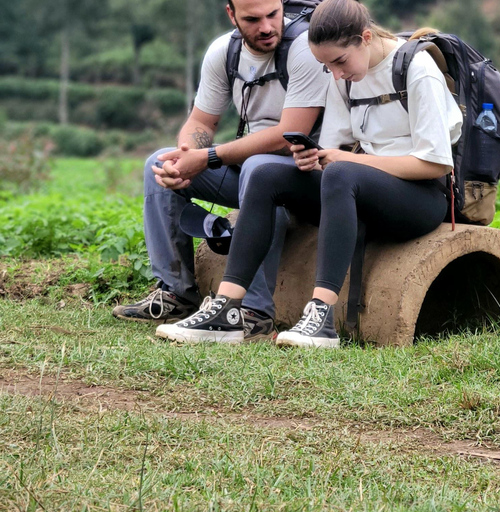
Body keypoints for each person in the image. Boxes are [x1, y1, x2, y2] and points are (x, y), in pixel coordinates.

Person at [155, 0, 462, 348]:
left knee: (342, 173)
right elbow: (332, 150)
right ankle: (226, 310)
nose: (336, 75)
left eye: (339, 62)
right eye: (327, 66)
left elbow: (435, 164)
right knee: (266, 175)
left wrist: (345, 163)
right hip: (362, 189)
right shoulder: (344, 77)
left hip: (420, 199)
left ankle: (321, 319)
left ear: (365, 38)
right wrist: (312, 159)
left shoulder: (417, 69)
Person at [111, 0, 328, 342]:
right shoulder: (224, 52)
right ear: (231, 15)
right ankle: (176, 293)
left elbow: (290, 133)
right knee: (159, 162)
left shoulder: (304, 48)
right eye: (252, 19)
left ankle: (254, 313)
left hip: (311, 174)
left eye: (273, 15)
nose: (266, 27)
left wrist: (210, 157)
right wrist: (186, 156)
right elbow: (201, 121)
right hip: (252, 167)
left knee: (258, 169)